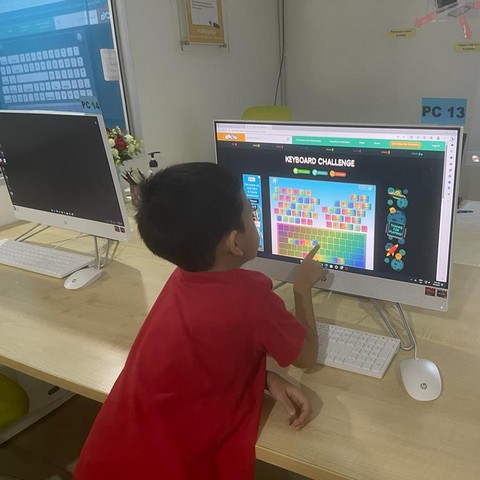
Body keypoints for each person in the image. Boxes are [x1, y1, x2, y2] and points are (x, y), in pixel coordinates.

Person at [74, 162, 326, 480]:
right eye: (251, 214)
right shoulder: (251, 296)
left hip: (113, 459)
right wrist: (301, 286)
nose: (255, 219)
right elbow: (307, 357)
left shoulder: (181, 279)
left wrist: (264, 378)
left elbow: (199, 361)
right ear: (235, 242)